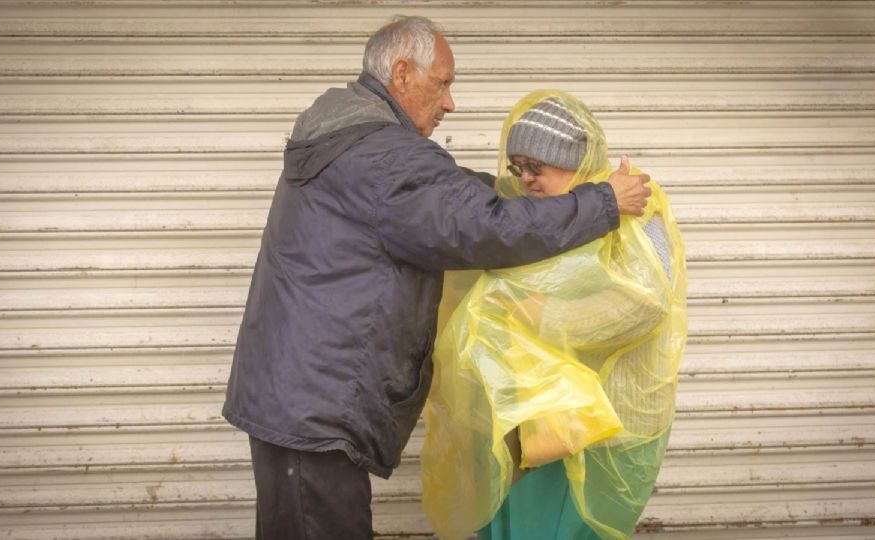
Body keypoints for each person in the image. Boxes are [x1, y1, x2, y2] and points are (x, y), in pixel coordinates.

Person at [222, 16, 652, 540]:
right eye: (443, 82)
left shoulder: (357, 141)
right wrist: (603, 202)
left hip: (302, 394)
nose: (451, 102)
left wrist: (531, 193)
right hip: (315, 404)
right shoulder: (382, 156)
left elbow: (450, 194)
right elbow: (481, 226)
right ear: (401, 74)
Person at [421, 90, 687, 540]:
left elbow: (645, 302)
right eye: (518, 168)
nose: (525, 180)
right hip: (533, 422)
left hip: (602, 426)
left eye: (536, 168)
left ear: (572, 161)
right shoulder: (536, 219)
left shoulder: (636, 214)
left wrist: (544, 314)